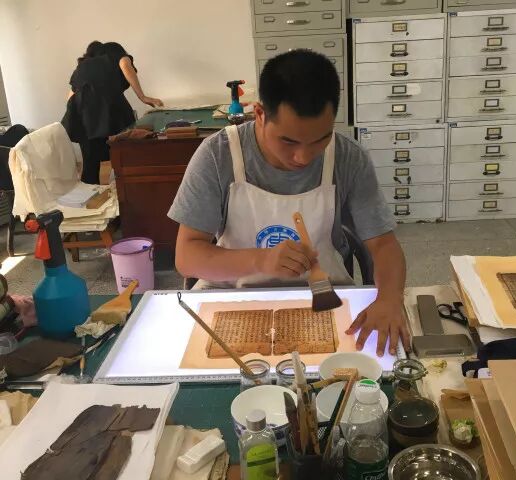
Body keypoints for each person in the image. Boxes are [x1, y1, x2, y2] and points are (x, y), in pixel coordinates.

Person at [168, 50, 409, 357]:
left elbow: (383, 245)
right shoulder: (218, 155)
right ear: (259, 114)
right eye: (289, 141)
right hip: (232, 299)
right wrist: (261, 260)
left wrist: (390, 298)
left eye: (320, 140)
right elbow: (187, 256)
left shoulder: (348, 157)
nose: (303, 157)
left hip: (322, 301)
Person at [62, 41, 163, 184]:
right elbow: (125, 65)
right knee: (124, 150)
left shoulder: (82, 66)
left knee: (90, 162)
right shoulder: (115, 54)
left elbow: (70, 96)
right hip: (111, 109)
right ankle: (126, 185)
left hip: (83, 114)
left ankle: (91, 193)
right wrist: (143, 97)